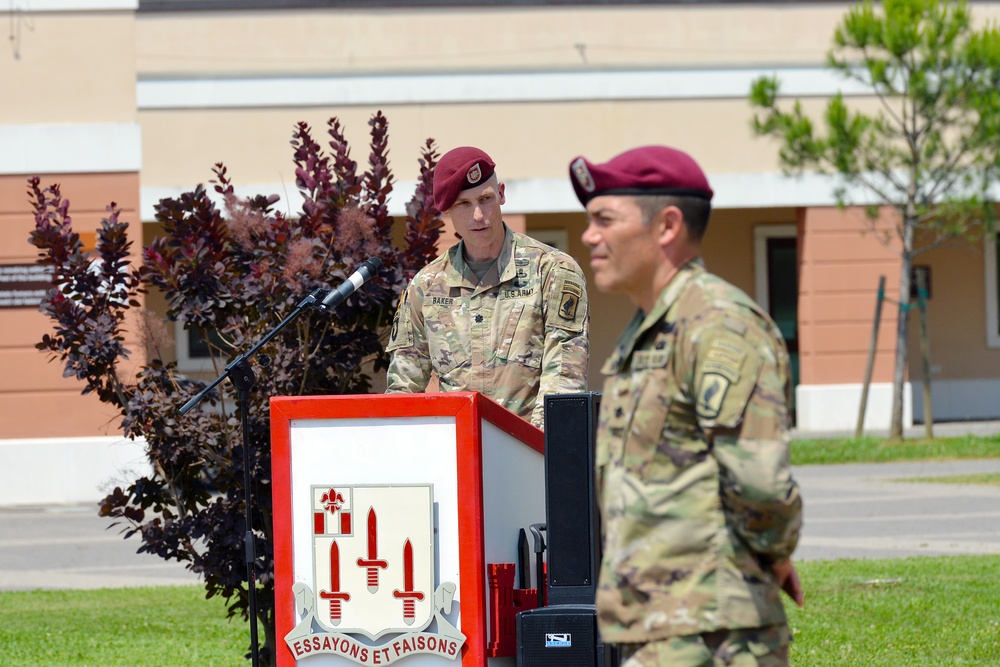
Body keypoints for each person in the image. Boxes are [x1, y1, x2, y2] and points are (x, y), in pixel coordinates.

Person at [568, 145, 803, 666]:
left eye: (604, 219)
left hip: (711, 634)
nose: (589, 236)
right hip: (661, 627)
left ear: (667, 226)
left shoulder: (718, 324)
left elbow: (762, 483)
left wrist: (768, 555)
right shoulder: (648, 330)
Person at [386, 146, 589, 429]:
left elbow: (564, 380)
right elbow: (402, 390)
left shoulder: (551, 271)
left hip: (530, 453)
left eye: (486, 199)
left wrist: (535, 453)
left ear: (502, 194)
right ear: (446, 211)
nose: (478, 216)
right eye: (464, 204)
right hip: (455, 457)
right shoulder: (426, 287)